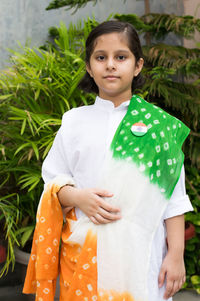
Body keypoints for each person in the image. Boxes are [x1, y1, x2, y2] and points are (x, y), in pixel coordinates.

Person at [23, 20, 193, 301]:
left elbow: (173, 199)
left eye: (121, 57)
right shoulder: (74, 121)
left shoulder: (160, 127)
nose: (110, 65)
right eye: (101, 57)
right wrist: (78, 197)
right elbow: (53, 183)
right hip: (85, 254)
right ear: (90, 67)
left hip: (142, 257)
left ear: (137, 65)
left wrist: (176, 256)